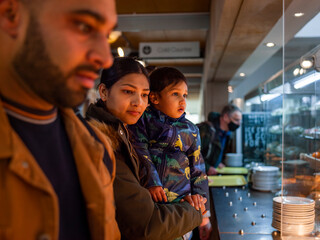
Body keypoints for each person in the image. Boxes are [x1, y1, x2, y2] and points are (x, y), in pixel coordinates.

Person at [0, 0, 120, 239]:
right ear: (11, 15)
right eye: (84, 27)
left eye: (107, 36)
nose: (105, 58)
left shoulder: (97, 148)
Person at [86, 57, 206, 240]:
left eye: (143, 95)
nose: (138, 102)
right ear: (103, 91)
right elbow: (146, 225)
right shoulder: (102, 142)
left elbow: (199, 168)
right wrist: (196, 212)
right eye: (128, 91)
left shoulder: (124, 133)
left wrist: (201, 203)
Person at [128, 67, 211, 240]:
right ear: (155, 98)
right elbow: (139, 150)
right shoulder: (142, 121)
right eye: (175, 94)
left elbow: (198, 171)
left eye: (185, 95)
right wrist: (151, 180)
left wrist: (204, 214)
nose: (182, 101)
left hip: (181, 206)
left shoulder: (191, 130)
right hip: (151, 205)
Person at [198, 104, 242, 175]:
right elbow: (192, 155)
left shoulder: (227, 134)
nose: (238, 124)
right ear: (225, 117)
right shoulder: (206, 131)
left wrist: (217, 162)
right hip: (200, 176)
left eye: (240, 121)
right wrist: (207, 167)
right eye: (236, 120)